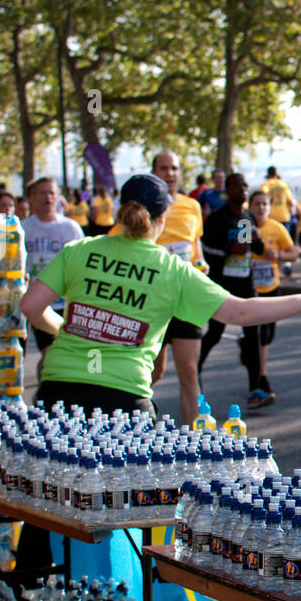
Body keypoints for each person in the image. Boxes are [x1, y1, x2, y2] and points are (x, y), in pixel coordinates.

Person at [15, 173, 301, 569]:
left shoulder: (80, 250)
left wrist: (68, 331)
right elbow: (239, 311)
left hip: (61, 390)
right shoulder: (170, 269)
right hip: (122, 400)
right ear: (164, 216)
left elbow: (30, 307)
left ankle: (31, 587)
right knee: (121, 514)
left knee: (45, 499)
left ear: (120, 211)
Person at [110, 151, 207, 426]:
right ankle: (139, 429)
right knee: (154, 371)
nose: (171, 173)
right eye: (164, 168)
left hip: (185, 296)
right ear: (153, 172)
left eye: (175, 168)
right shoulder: (140, 207)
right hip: (149, 298)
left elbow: (195, 246)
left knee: (190, 370)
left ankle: (195, 440)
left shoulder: (192, 206)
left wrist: (201, 263)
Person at [21, 177, 85, 379]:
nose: (48, 197)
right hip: (32, 299)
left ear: (58, 197)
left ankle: (47, 396)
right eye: (42, 193)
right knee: (48, 354)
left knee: (52, 354)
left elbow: (83, 263)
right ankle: (46, 398)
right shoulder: (22, 228)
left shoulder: (71, 228)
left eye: (52, 193)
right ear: (32, 198)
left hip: (62, 301)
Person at [198, 173, 257, 378]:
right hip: (223, 282)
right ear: (228, 191)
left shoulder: (249, 217)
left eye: (245, 186)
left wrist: (258, 242)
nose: (242, 190)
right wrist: (229, 250)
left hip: (246, 281)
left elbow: (255, 247)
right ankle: (196, 366)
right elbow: (206, 249)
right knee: (215, 332)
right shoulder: (217, 218)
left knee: (252, 332)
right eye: (237, 186)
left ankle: (256, 386)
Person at [243, 189, 298, 409]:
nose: (261, 208)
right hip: (251, 288)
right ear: (250, 206)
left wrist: (280, 256)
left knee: (268, 335)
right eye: (257, 204)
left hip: (271, 287)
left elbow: (294, 252)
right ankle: (261, 377)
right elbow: (238, 252)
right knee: (261, 337)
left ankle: (252, 357)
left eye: (265, 204)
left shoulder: (277, 228)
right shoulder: (245, 227)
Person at [260, 166, 297, 242]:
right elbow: (290, 201)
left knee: (272, 242)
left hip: (271, 216)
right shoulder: (283, 184)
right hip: (284, 216)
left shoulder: (266, 184)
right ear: (276, 174)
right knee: (285, 242)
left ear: (268, 175)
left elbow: (263, 195)